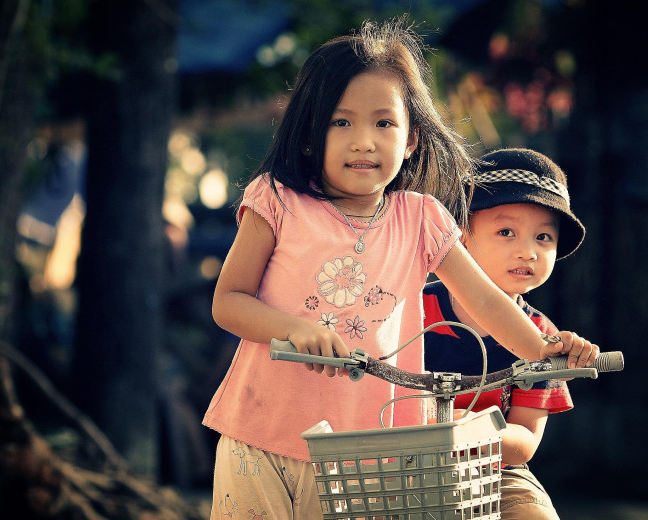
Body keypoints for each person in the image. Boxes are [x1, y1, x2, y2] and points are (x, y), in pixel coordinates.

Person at [203, 18, 598, 519]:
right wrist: (294, 329)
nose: (364, 141)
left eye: (384, 123)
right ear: (307, 134)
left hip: (371, 457)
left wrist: (546, 350)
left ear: (411, 139)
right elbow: (228, 301)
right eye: (340, 122)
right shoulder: (276, 200)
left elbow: (484, 300)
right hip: (262, 437)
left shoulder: (421, 218)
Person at [423, 147, 594, 520]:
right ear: (462, 235)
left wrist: (469, 433)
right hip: (405, 463)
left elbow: (525, 440)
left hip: (495, 472)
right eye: (506, 232)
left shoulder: (541, 338)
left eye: (543, 238)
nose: (528, 252)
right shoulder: (412, 310)